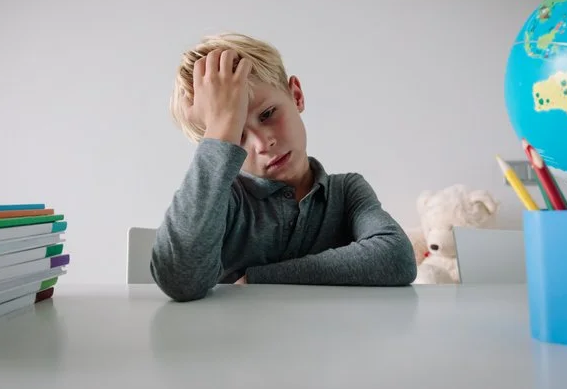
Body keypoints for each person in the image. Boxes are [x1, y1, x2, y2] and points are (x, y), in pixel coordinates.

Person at [150, 32, 417, 301]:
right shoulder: (226, 200)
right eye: (237, 135)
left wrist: (259, 278)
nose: (263, 143)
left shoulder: (346, 191)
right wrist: (219, 131)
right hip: (236, 342)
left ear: (296, 95)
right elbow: (179, 280)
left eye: (267, 114)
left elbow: (396, 257)